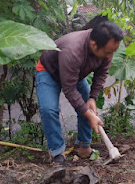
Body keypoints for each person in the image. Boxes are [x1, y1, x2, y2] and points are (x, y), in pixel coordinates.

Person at [35, 20, 123, 165]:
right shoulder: (73, 50)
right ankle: (57, 153)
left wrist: (93, 97)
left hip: (75, 73)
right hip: (49, 71)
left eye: (112, 52)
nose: (110, 56)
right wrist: (89, 114)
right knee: (48, 109)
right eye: (108, 52)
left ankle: (84, 147)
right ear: (94, 44)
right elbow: (69, 90)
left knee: (87, 105)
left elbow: (102, 73)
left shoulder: (107, 49)